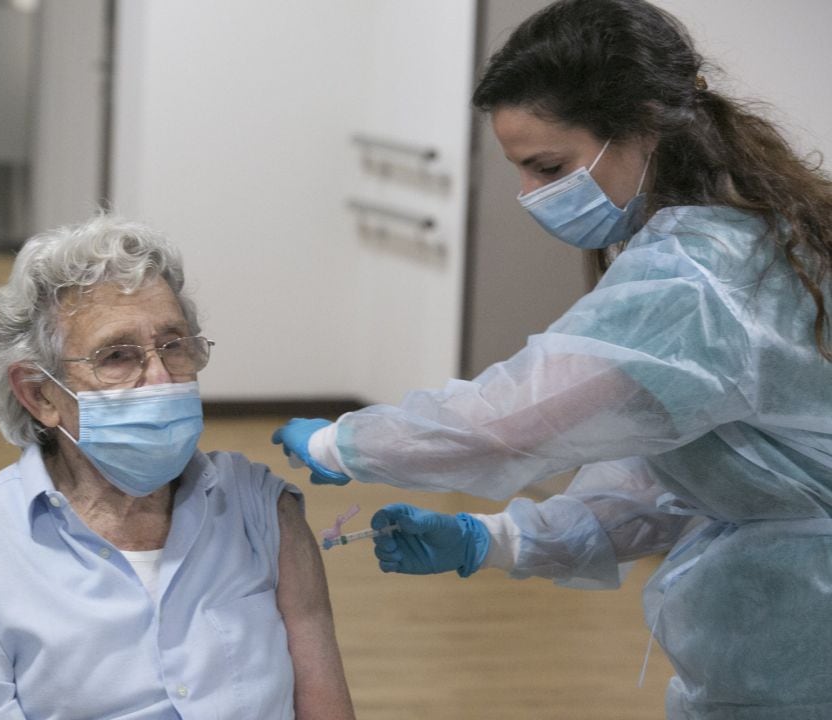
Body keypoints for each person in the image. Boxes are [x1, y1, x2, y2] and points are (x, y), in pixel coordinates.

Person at [271, 0, 832, 717]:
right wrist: (495, 539)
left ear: (643, 128)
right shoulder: (748, 237)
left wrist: (342, 442)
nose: (533, 197)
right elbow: (661, 483)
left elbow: (512, 420)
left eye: (549, 167)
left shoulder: (702, 276)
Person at [0, 214, 356, 719]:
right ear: (39, 393)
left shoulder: (261, 511)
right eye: (117, 356)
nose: (159, 378)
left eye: (174, 346)